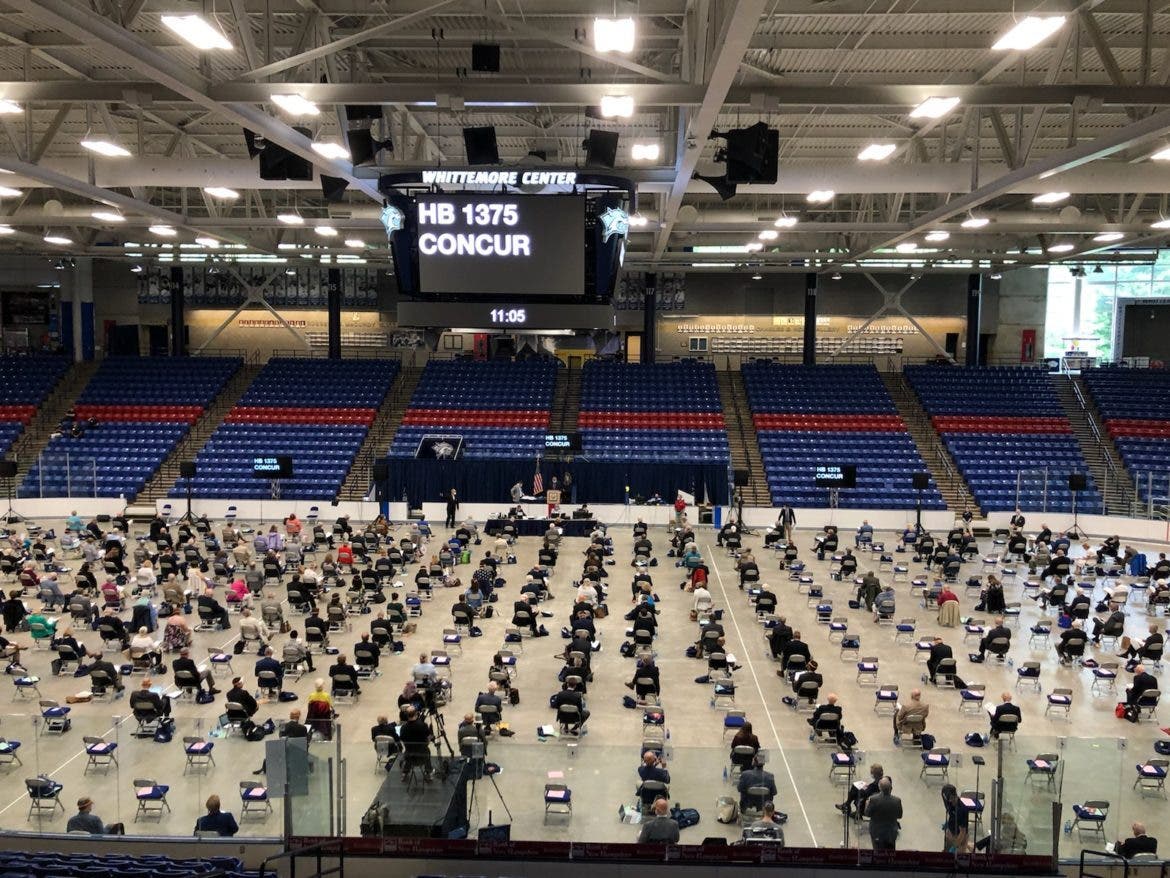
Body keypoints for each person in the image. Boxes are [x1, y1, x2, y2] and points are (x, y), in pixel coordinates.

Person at [865, 777, 902, 850]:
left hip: (876, 831)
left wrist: (867, 804)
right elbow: (899, 816)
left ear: (879, 788)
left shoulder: (873, 799)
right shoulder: (897, 801)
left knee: (876, 851)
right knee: (891, 852)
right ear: (891, 788)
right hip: (891, 832)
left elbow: (867, 814)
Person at [941, 784, 970, 853]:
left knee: (958, 859)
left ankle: (969, 845)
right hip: (950, 833)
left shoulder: (962, 810)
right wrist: (948, 823)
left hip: (960, 838)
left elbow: (963, 832)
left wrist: (955, 846)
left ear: (951, 796)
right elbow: (950, 813)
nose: (947, 801)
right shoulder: (950, 803)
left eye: (947, 798)